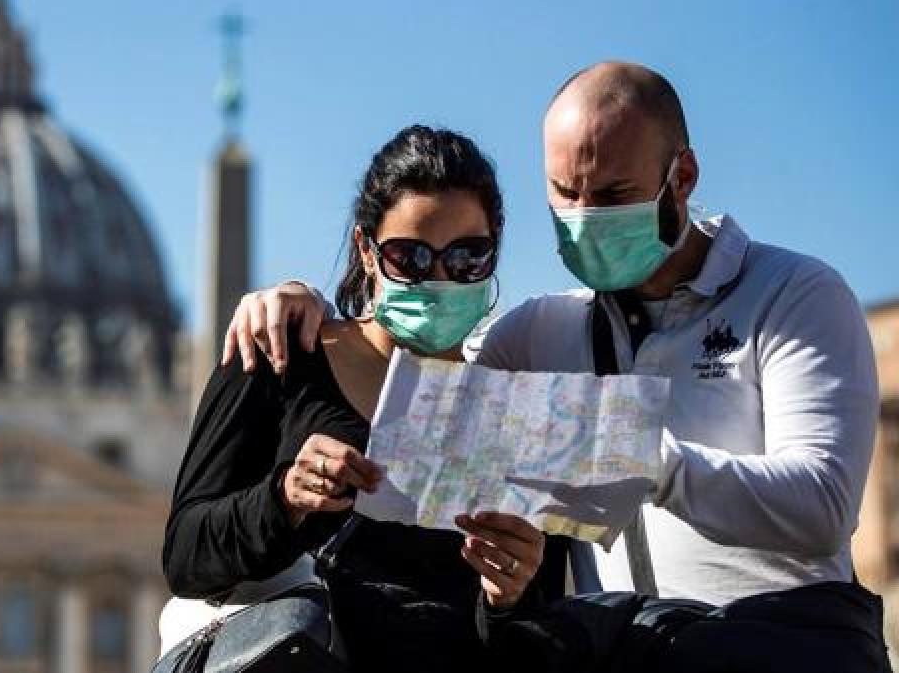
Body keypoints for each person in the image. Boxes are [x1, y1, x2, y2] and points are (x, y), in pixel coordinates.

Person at [221, 62, 889, 671]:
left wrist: (644, 460)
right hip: (626, 651)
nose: (585, 217)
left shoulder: (791, 294)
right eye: (566, 194)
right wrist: (305, 306)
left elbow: (824, 506)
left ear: (681, 177)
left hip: (776, 647)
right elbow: (424, 384)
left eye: (613, 195)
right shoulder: (540, 332)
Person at [162, 126, 565, 672]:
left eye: (467, 257)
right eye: (410, 257)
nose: (438, 279)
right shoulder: (279, 354)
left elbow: (536, 641)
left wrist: (511, 596)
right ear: (367, 251)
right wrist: (285, 497)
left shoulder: (516, 415)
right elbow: (186, 555)